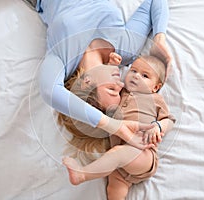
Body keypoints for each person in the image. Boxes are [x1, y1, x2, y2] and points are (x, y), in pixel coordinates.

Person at [37, 0, 171, 155]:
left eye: (112, 89)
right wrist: (159, 38)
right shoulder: (126, 49)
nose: (121, 84)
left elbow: (49, 91)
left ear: (86, 83)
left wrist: (112, 126)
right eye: (119, 91)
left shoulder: (62, 58)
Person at [63, 55, 175, 200]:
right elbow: (107, 84)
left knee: (117, 153)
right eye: (133, 70)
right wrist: (111, 65)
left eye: (145, 75)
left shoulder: (155, 99)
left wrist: (158, 127)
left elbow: (169, 120)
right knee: (114, 190)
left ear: (155, 87)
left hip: (143, 154)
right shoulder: (119, 92)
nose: (136, 76)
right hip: (120, 169)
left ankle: (83, 174)